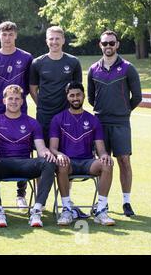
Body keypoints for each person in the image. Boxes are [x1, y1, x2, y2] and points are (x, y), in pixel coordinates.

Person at [29, 26, 86, 218]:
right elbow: (33, 89)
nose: (54, 42)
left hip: (66, 119)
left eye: (57, 39)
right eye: (51, 39)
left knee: (64, 158)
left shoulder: (73, 62)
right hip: (44, 117)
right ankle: (40, 200)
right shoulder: (38, 63)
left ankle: (65, 200)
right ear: (46, 41)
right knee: (43, 158)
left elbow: (77, 89)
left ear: (63, 41)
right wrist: (43, 106)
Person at [0, 84, 56, 228]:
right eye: (10, 98)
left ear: (22, 101)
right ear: (4, 101)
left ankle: (37, 210)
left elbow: (41, 148)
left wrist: (47, 153)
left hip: (24, 165)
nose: (14, 101)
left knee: (48, 162)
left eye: (17, 98)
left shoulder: (32, 123)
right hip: (3, 165)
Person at [87, 30, 142, 217]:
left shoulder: (128, 68)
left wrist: (123, 111)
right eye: (105, 43)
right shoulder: (94, 69)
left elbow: (138, 97)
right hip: (100, 122)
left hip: (121, 123)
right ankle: (102, 203)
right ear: (100, 45)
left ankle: (126, 202)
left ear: (117, 44)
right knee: (103, 162)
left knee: (124, 161)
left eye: (111, 43)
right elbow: (91, 98)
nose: (108, 46)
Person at [0, 21, 34, 212]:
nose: (7, 38)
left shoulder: (26, 58)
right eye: (4, 34)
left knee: (23, 148)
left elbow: (29, 86)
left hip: (20, 111)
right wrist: (1, 102)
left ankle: (21, 194)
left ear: (16, 35)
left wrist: (15, 103)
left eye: (10, 34)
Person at [49, 81, 116, 226]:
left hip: (88, 163)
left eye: (78, 94)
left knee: (107, 164)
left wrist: (104, 156)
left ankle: (101, 210)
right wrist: (59, 154)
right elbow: (52, 148)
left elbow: (101, 149)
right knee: (61, 163)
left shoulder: (93, 120)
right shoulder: (58, 119)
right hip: (68, 163)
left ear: (83, 95)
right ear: (67, 97)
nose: (75, 98)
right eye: (72, 95)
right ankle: (67, 209)